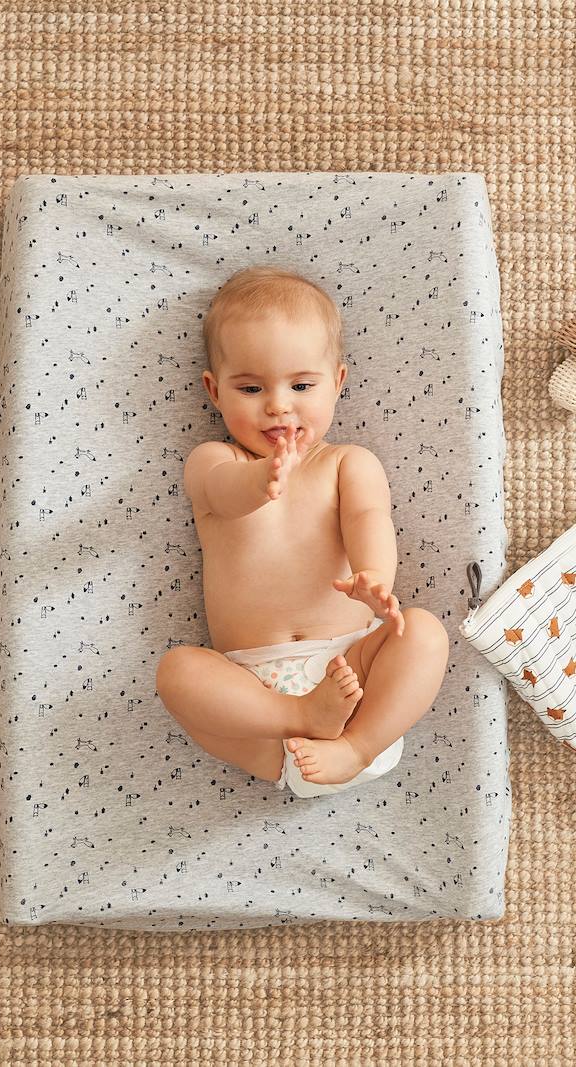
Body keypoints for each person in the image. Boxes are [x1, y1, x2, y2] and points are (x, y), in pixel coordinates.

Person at [155, 266, 449, 795]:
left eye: (301, 385)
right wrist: (261, 478)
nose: (278, 405)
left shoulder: (347, 463)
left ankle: (357, 748)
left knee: (425, 632)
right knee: (178, 672)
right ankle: (302, 716)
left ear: (336, 382)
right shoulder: (214, 460)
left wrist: (374, 576)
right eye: (250, 387)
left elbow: (368, 519)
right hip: (258, 702)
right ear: (214, 391)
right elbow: (224, 491)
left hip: (353, 670)